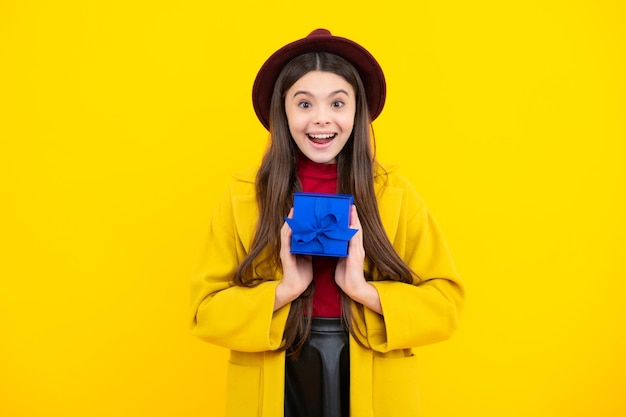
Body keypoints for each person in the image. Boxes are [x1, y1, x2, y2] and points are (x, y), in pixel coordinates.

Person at [190, 28, 465, 417]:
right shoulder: (242, 198)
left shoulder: (395, 195)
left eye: (338, 103)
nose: (321, 119)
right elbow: (204, 312)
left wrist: (364, 291)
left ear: (357, 111)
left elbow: (446, 305)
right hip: (275, 378)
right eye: (304, 104)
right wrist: (284, 290)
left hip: (371, 377)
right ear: (282, 112)